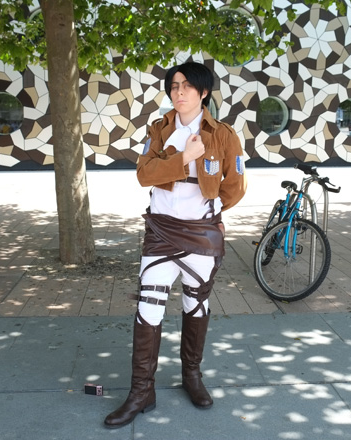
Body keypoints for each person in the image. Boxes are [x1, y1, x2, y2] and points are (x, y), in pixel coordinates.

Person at [104, 62, 247, 429]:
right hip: (161, 231)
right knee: (147, 309)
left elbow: (235, 185)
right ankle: (141, 391)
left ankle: (191, 376)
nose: (179, 92)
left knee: (195, 303)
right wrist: (184, 158)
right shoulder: (160, 129)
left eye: (187, 86)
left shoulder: (224, 135)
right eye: (174, 86)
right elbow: (143, 174)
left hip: (201, 233)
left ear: (203, 92)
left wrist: (211, 211)